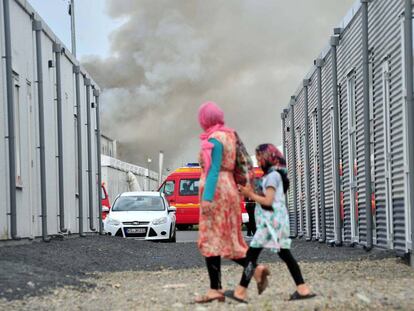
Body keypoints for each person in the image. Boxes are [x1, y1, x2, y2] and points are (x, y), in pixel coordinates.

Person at [195, 102, 268, 303]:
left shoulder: (214, 139)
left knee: (211, 239)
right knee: (227, 239)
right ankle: (252, 271)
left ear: (205, 119)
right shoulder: (230, 135)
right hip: (229, 190)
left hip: (216, 191)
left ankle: (216, 288)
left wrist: (207, 197)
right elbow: (241, 164)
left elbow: (212, 169)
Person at [227, 143, 315, 303]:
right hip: (272, 223)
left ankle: (240, 292)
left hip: (271, 223)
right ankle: (302, 289)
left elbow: (268, 201)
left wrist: (250, 195)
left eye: (260, 158)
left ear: (269, 157)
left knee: (255, 256)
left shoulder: (273, 176)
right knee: (278, 255)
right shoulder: (271, 176)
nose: (259, 162)